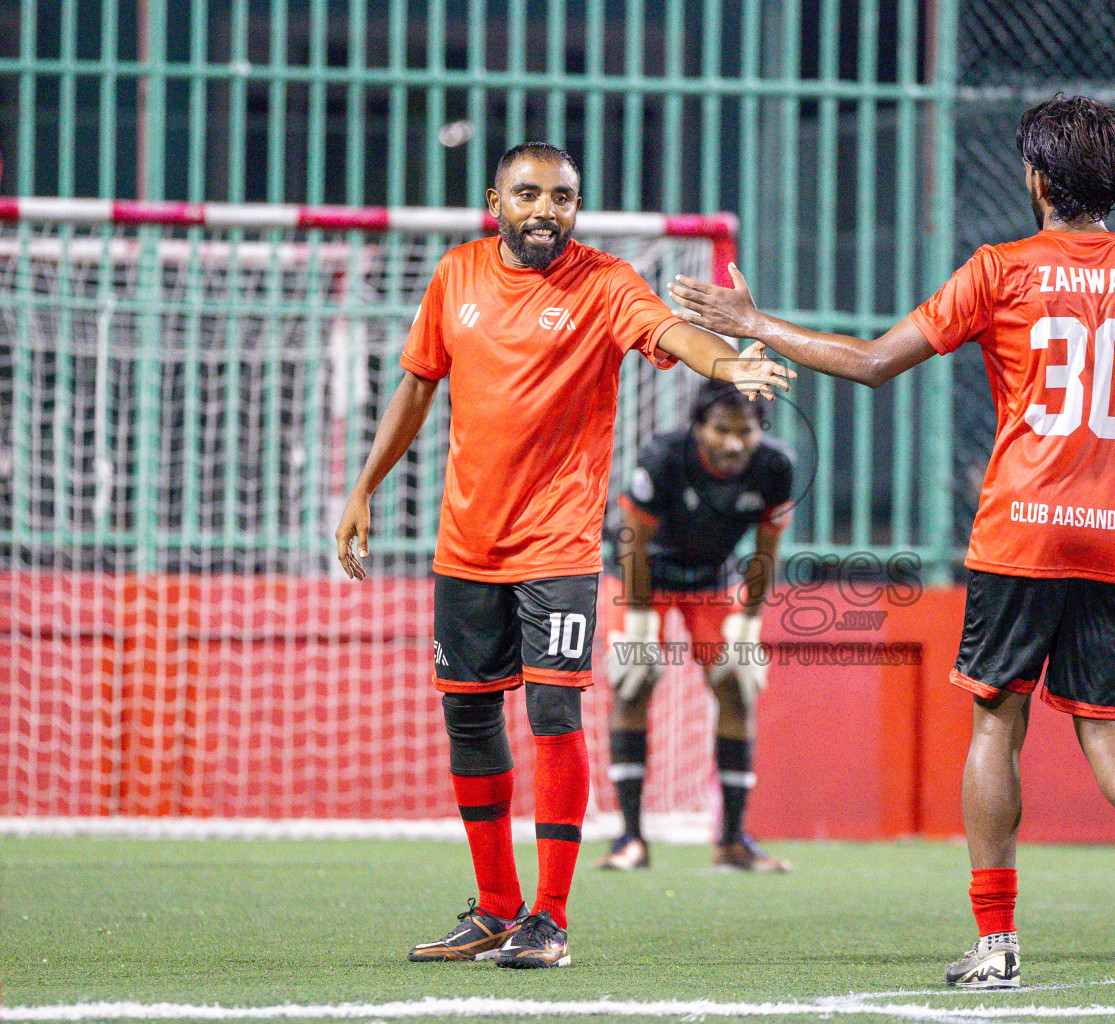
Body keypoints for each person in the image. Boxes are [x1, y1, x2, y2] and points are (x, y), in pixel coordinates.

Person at [669, 95, 1115, 988]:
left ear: (1036, 177)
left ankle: (997, 944)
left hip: (1022, 535)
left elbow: (875, 361)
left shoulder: (1000, 271)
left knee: (998, 723)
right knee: (1108, 726)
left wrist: (754, 325)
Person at [334, 142, 791, 970]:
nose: (546, 209)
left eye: (563, 196)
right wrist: (364, 486)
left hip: (559, 546)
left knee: (552, 717)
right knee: (469, 719)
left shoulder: (605, 283)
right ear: (494, 199)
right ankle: (496, 908)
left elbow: (671, 331)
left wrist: (734, 361)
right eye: (529, 193)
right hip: (466, 547)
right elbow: (416, 383)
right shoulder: (456, 276)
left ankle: (550, 917)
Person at [601, 379, 795, 873]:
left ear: (760, 431)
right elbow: (632, 541)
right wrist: (641, 622)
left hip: (712, 578)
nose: (733, 443)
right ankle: (630, 839)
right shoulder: (664, 457)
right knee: (633, 682)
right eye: (722, 430)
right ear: (699, 428)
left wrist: (749, 625)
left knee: (736, 686)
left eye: (745, 431)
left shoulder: (776, 467)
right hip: (645, 574)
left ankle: (731, 842)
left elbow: (766, 551)